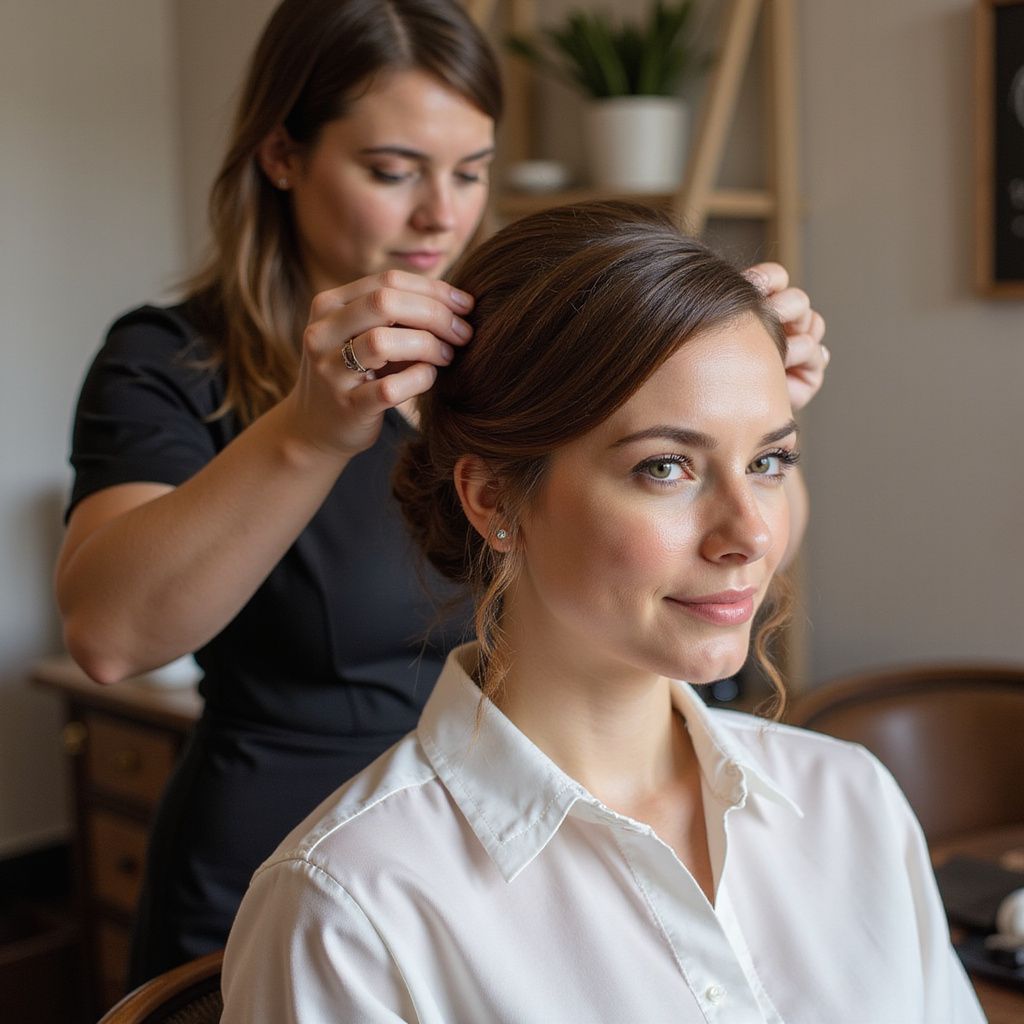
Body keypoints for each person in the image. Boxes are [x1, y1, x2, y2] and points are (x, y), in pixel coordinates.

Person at [54, 0, 828, 986]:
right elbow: (109, 635)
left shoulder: (505, 355)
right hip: (313, 870)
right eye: (393, 171)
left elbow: (736, 550)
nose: (441, 214)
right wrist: (303, 435)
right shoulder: (172, 364)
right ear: (282, 154)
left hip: (558, 854)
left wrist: (752, 420)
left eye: (470, 172)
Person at [220, 202, 982, 1024]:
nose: (751, 534)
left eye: (768, 459)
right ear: (492, 497)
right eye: (665, 467)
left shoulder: (850, 803)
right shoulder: (355, 909)